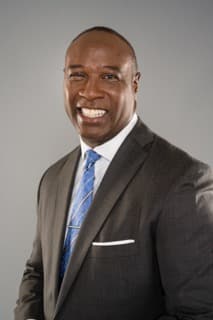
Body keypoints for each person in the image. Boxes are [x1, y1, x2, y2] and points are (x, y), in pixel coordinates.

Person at [15, 26, 213, 320]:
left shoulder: (183, 180)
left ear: (134, 84)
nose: (89, 91)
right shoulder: (52, 179)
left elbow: (197, 313)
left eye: (109, 76)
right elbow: (37, 272)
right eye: (77, 75)